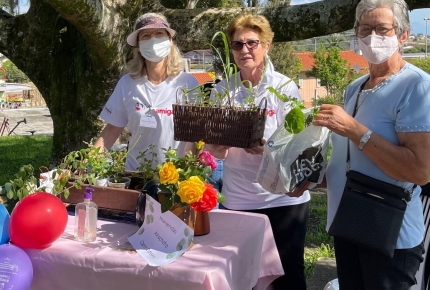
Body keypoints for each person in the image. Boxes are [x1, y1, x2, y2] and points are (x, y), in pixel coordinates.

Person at [313, 0, 430, 288]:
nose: (372, 37)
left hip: (389, 232)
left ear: (403, 35)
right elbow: (353, 157)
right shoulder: (356, 86)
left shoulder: (417, 86)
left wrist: (354, 129)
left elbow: (420, 170)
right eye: (365, 29)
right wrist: (317, 176)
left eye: (382, 29)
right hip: (348, 221)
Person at [205, 14, 309, 290]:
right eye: (237, 45)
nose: (244, 50)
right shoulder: (222, 91)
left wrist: (268, 149)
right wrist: (218, 148)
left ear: (267, 45)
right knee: (243, 278)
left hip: (281, 201)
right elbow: (216, 153)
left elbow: (300, 146)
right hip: (238, 201)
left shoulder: (284, 87)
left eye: (252, 43)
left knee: (288, 279)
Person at [94, 13, 199, 170]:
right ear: (138, 46)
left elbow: (196, 135)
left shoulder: (188, 84)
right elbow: (111, 131)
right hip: (136, 176)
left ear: (170, 40)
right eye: (146, 36)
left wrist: (188, 170)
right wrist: (84, 164)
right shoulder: (127, 84)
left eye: (159, 34)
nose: (153, 40)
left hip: (175, 179)